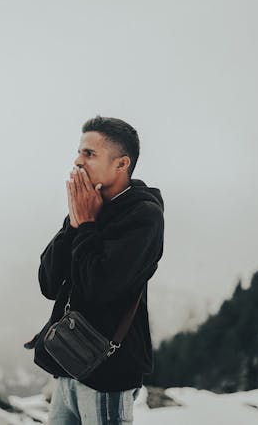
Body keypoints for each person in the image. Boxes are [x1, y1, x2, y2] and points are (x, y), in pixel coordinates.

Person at [25, 115, 165, 425]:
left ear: (121, 164)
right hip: (69, 363)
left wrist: (86, 224)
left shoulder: (144, 216)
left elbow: (99, 288)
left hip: (108, 371)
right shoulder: (88, 204)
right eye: (78, 151)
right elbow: (49, 283)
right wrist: (75, 225)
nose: (77, 161)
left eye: (89, 153)